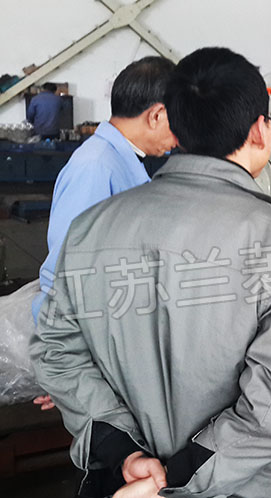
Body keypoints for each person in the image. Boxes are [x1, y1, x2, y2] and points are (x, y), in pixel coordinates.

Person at [29, 47, 271, 498]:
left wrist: (122, 450)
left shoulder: (91, 227)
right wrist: (180, 475)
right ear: (260, 130)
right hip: (233, 488)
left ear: (175, 125)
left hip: (123, 482)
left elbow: (56, 349)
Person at [31, 56, 177, 328]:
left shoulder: (120, 160)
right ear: (156, 116)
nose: (179, 137)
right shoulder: (95, 167)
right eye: (179, 122)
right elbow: (67, 274)